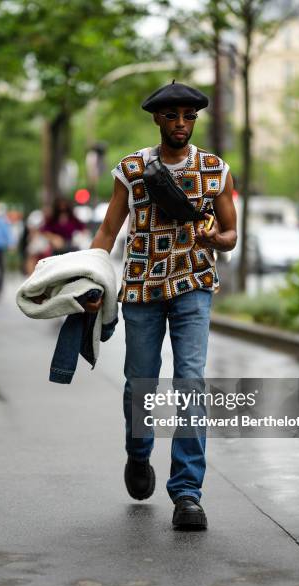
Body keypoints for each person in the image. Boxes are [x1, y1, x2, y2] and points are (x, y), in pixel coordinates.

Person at [88, 81, 237, 529]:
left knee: (190, 381)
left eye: (188, 117)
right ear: (157, 118)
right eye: (172, 116)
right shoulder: (132, 169)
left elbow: (231, 234)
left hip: (193, 283)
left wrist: (216, 238)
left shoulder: (215, 170)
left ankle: (187, 493)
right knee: (140, 383)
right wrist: (91, 279)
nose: (180, 124)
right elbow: (108, 231)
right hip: (142, 288)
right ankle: (138, 453)